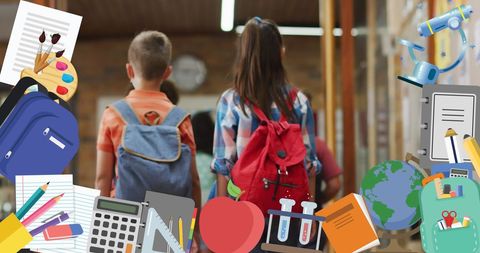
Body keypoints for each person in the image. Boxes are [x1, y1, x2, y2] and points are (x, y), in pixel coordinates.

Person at [211, 17, 321, 251]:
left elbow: (223, 165)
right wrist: (309, 214)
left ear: (243, 55)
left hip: (243, 208)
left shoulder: (231, 101)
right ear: (281, 54)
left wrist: (222, 217)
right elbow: (308, 164)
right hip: (287, 210)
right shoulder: (298, 102)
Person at [95, 31, 201, 251]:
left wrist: (100, 227)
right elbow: (194, 182)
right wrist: (194, 232)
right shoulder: (181, 119)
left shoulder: (113, 115)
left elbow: (102, 178)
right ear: (168, 73)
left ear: (129, 70)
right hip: (172, 219)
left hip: (123, 219)